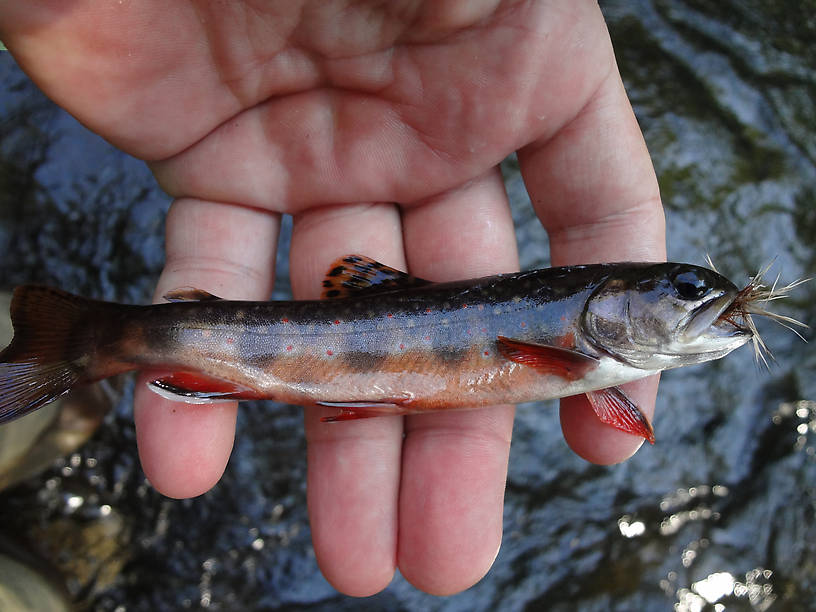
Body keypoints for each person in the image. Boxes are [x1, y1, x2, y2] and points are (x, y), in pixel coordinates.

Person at [0, 0, 665, 597]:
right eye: (684, 294)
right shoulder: (582, 358)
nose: (702, 308)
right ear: (611, 306)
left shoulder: (591, 359)